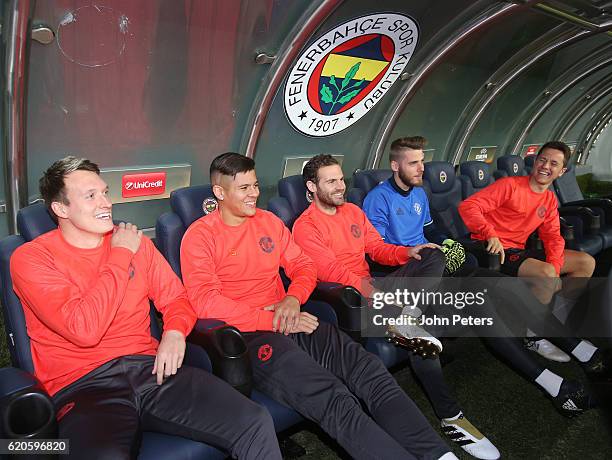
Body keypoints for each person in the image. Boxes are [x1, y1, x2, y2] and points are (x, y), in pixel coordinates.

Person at [181, 152, 457, 460]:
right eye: (244, 188)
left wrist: (292, 298)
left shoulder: (268, 222)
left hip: (294, 317)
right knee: (332, 396)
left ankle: (439, 455)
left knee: (370, 371)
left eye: (256, 185)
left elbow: (303, 267)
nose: (254, 194)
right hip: (251, 335)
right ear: (219, 192)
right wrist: (269, 319)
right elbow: (205, 302)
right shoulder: (200, 236)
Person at [10, 157, 281, 459]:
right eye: (90, 196)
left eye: (104, 192)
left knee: (253, 421)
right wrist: (120, 254)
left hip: (151, 370)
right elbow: (84, 329)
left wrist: (175, 333)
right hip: (84, 387)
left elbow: (177, 300)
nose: (105, 203)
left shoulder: (138, 245)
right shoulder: (32, 258)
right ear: (61, 209)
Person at [293, 153, 500, 460]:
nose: (340, 186)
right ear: (312, 186)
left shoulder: (351, 211)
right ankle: (451, 416)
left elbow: (377, 248)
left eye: (342, 179)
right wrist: (376, 294)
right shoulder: (305, 227)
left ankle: (409, 318)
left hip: (376, 288)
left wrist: (407, 252)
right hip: (348, 301)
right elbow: (333, 273)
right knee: (426, 328)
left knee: (432, 255)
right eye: (331, 181)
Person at [364, 136, 567, 363]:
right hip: (409, 265)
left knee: (484, 276)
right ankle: (410, 319)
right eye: (413, 163)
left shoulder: (419, 192)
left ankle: (550, 355)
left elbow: (432, 229)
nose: (422, 169)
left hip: (431, 259)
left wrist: (446, 242)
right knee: (466, 283)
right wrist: (415, 251)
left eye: (422, 161)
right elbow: (377, 250)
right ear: (395, 166)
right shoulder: (378, 199)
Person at [458, 141, 608, 407]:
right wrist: (489, 232)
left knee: (584, 263)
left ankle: (548, 323)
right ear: (534, 161)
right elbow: (468, 207)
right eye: (542, 160)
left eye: (553, 164)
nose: (545, 167)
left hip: (518, 251)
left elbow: (552, 237)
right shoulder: (510, 186)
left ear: (562, 171)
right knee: (547, 272)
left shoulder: (548, 199)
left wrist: (555, 265)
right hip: (491, 250)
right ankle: (535, 336)